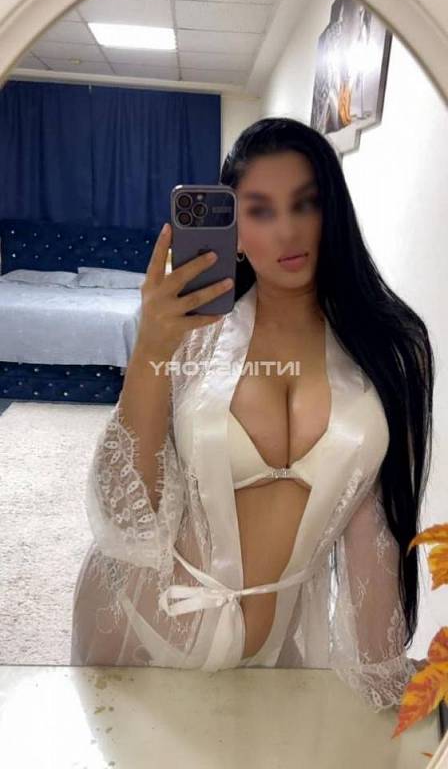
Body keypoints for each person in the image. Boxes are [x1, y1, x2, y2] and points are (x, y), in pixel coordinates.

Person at [71, 117, 434, 712]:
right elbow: (125, 519)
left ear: (333, 211)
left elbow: (378, 532)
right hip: (142, 628)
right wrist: (151, 348)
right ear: (234, 232)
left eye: (305, 203)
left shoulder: (393, 348)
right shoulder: (189, 337)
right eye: (260, 211)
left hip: (277, 652)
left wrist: (384, 681)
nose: (288, 230)